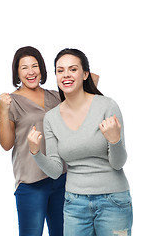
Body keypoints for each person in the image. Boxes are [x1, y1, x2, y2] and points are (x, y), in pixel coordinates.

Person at [28, 48, 132, 235]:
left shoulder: (107, 106)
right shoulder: (51, 117)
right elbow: (55, 170)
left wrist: (115, 140)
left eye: (72, 69)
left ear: (85, 74)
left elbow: (118, 163)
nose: (66, 75)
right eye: (60, 71)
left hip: (113, 201)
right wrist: (36, 153)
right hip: (74, 204)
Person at [0, 46, 67, 236]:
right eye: (24, 67)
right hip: (31, 182)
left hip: (62, 178)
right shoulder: (11, 101)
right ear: (17, 73)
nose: (30, 72)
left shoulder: (55, 96)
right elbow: (6, 144)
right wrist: (3, 111)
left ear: (42, 69)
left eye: (34, 66)